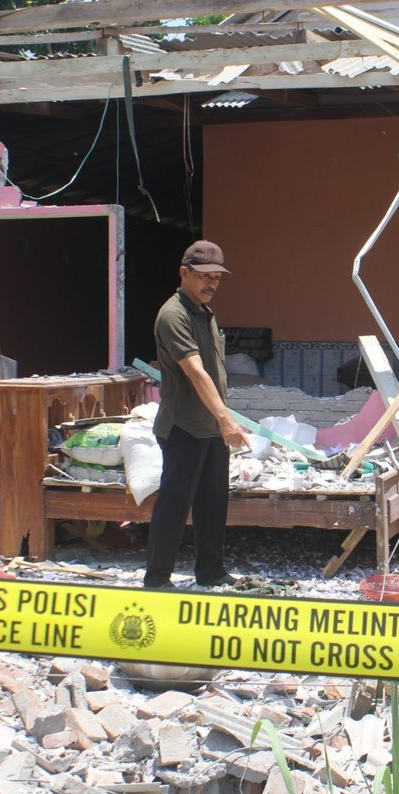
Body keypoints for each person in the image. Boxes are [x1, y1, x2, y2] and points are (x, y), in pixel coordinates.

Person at [143, 240, 251, 589]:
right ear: (184, 273)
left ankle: (211, 570)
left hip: (209, 426)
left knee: (212, 502)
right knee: (174, 505)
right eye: (205, 276)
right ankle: (157, 579)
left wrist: (220, 420)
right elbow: (195, 371)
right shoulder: (173, 314)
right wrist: (226, 419)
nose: (212, 284)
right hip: (184, 426)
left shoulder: (204, 311)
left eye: (217, 278)